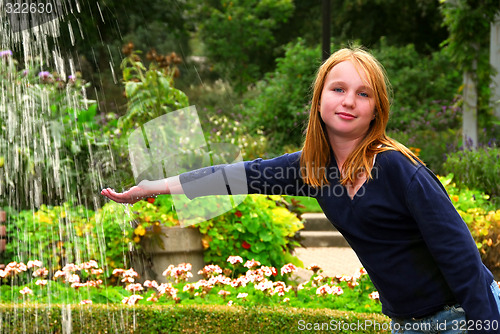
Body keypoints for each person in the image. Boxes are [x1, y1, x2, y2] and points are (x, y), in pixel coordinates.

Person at [101, 47, 500, 333]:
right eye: (338, 89)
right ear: (320, 99)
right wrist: (155, 187)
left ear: (377, 108)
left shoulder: (398, 169)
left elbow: (463, 262)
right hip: (406, 324)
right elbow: (235, 176)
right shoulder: (313, 169)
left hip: (463, 318)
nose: (349, 101)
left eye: (364, 93)